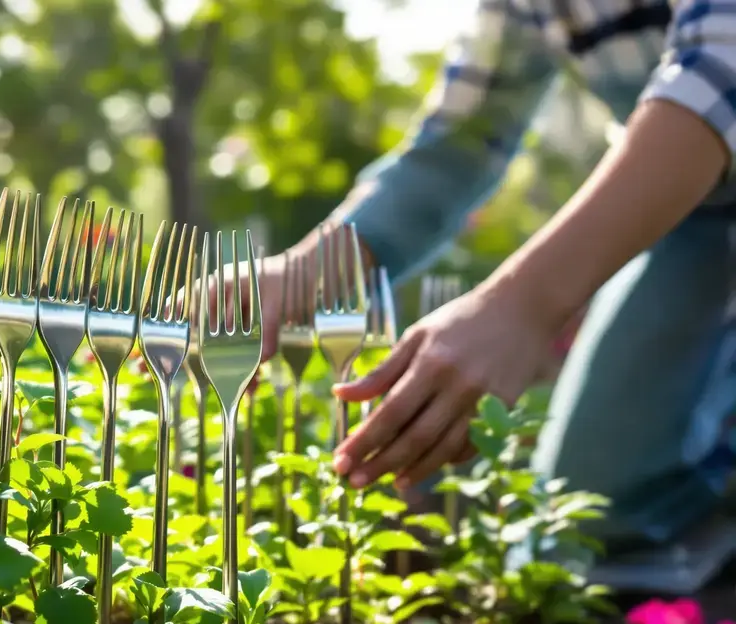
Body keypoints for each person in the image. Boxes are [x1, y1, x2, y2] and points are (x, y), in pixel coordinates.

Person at [257, 0, 736, 556]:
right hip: (697, 221)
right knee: (591, 505)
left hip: (698, 197)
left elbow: (718, 69)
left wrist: (522, 307)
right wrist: (308, 270)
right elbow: (458, 146)